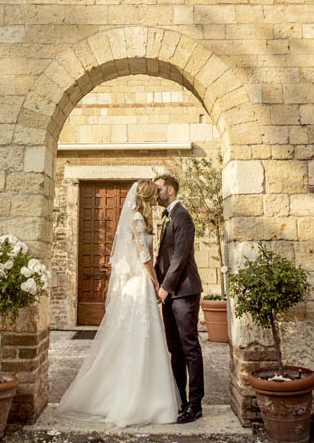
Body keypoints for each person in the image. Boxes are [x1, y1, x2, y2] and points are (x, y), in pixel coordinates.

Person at [58, 180, 180, 426]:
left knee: (146, 337)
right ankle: (130, 399)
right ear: (148, 198)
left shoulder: (144, 219)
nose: (158, 197)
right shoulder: (136, 218)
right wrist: (157, 283)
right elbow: (144, 257)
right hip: (139, 284)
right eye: (155, 194)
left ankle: (150, 397)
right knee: (137, 337)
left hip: (141, 283)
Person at [154, 173, 205, 423]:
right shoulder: (168, 217)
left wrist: (165, 286)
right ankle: (180, 400)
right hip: (169, 294)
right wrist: (154, 284)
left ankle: (195, 403)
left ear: (171, 190)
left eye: (159, 189)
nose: (156, 194)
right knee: (175, 349)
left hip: (184, 291)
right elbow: (163, 257)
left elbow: (180, 257)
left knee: (190, 348)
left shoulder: (182, 216)